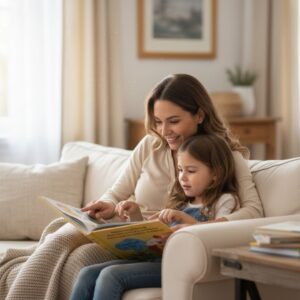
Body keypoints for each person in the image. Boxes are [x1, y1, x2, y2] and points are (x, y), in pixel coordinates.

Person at [0, 74, 263, 300]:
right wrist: (109, 205)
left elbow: (253, 211)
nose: (164, 131)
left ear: (200, 115)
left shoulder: (225, 156)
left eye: (173, 121)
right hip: (125, 233)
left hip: (155, 247)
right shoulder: (151, 145)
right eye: (158, 121)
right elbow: (115, 193)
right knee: (60, 239)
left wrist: (198, 229)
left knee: (79, 262)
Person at [70, 134, 242, 300]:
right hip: (156, 259)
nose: (182, 177)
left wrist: (186, 221)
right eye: (180, 170)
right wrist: (135, 214)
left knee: (111, 275)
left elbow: (218, 235)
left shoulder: (224, 200)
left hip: (178, 266)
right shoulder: (181, 201)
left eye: (191, 171)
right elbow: (149, 238)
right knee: (88, 273)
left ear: (216, 174)